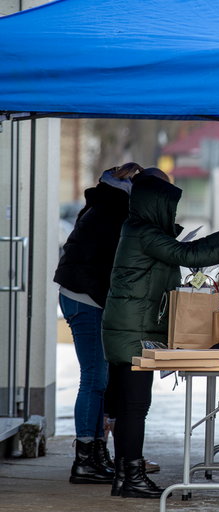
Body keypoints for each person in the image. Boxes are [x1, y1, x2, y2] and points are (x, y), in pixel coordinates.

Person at [101, 168, 219, 498]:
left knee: (130, 407)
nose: (173, 214)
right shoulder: (143, 232)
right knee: (134, 407)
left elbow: (183, 249)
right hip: (132, 332)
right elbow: (185, 255)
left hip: (130, 328)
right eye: (170, 206)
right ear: (156, 203)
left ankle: (125, 476)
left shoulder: (140, 229)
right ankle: (131, 476)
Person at [54, 162, 141, 485]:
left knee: (99, 378)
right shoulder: (114, 211)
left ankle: (96, 452)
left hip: (82, 294)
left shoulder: (104, 203)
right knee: (94, 377)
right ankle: (85, 458)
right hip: (86, 298)